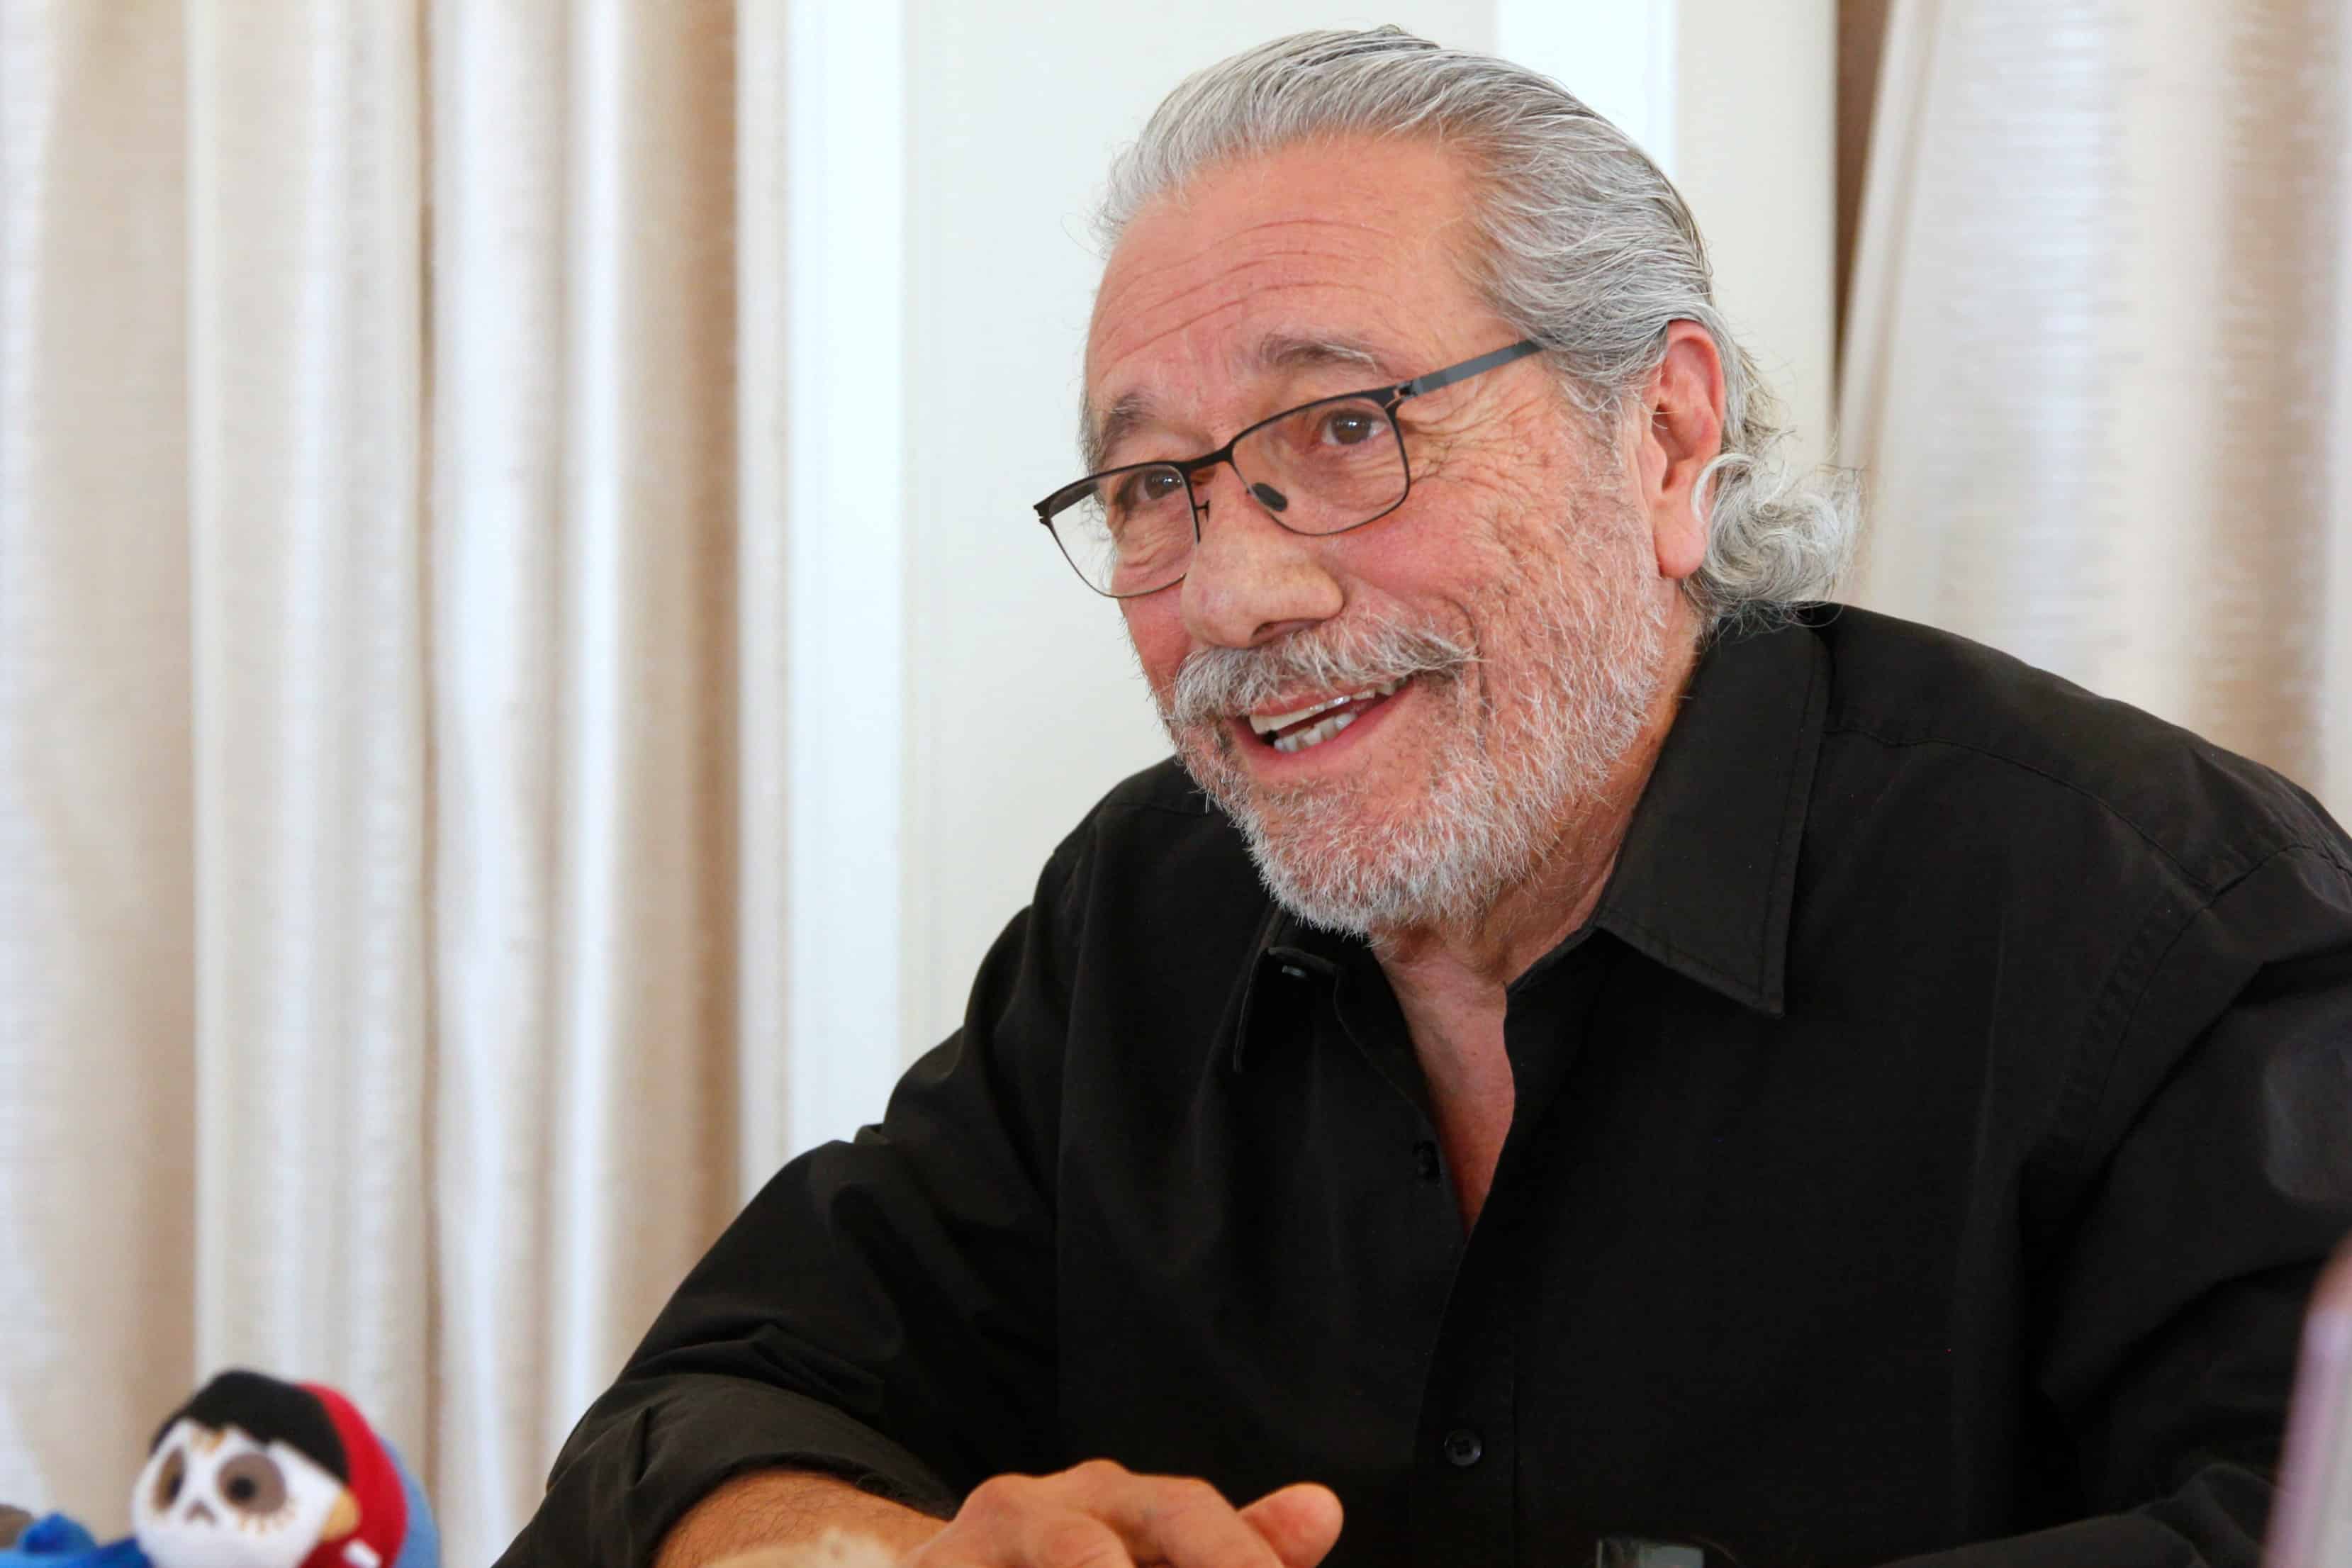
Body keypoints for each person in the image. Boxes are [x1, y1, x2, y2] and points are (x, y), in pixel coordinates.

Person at [495, 28, 2352, 1568]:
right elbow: (701, 1416)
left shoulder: (2168, 931)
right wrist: (877, 1555)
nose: (1233, 594)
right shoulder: (1144, 915)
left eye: (1345, 429)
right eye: (1154, 489)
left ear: (1670, 434)